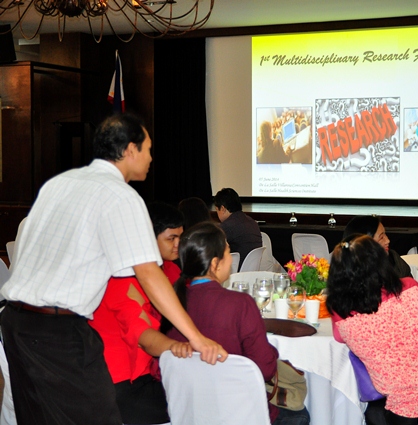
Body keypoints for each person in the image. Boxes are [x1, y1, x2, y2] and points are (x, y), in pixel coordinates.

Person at [0, 113, 227, 425]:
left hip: (15, 322)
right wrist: (196, 338)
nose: (151, 158)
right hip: (57, 329)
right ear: (130, 149)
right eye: (148, 149)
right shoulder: (120, 195)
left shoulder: (58, 183)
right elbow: (149, 274)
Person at [165, 222, 310, 425]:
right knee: (301, 415)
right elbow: (266, 369)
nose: (231, 260)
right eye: (228, 252)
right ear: (215, 264)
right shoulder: (240, 304)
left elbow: (164, 368)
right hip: (241, 413)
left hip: (193, 414)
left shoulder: (171, 304)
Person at [326, 234, 418, 425]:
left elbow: (339, 338)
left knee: (371, 410)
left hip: (405, 410)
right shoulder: (410, 286)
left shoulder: (342, 312)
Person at [89, 202, 187, 424]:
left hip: (150, 372)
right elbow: (144, 338)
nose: (178, 245)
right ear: (148, 239)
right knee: (201, 402)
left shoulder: (170, 270)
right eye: (171, 238)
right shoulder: (120, 279)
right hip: (122, 386)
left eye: (181, 237)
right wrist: (184, 347)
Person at [342, 215, 412, 278]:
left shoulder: (394, 260)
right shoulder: (348, 273)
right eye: (381, 237)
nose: (387, 240)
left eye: (385, 234)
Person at [213, 187, 262, 267]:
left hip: (235, 270)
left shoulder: (227, 226)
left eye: (217, 210)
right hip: (252, 270)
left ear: (222, 208)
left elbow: (211, 248)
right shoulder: (252, 222)